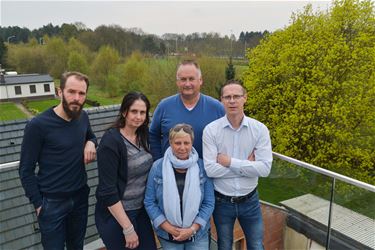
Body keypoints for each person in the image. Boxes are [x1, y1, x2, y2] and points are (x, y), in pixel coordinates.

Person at [19, 71, 97, 249]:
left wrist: (91, 143)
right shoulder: (37, 125)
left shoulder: (83, 117)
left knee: (76, 246)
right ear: (59, 92)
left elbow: (91, 136)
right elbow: (25, 170)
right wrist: (39, 205)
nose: (76, 98)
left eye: (81, 93)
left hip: (79, 198)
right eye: (71, 92)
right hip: (52, 203)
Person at [202, 80, 273, 250]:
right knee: (224, 246)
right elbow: (210, 170)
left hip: (250, 201)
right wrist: (247, 166)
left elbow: (265, 169)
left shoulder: (260, 129)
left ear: (245, 98)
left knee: (256, 246)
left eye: (236, 96)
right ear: (221, 101)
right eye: (227, 97)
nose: (232, 100)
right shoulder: (211, 130)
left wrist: (230, 162)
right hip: (222, 201)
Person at [95, 92, 157, 250]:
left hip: (140, 210)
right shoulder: (111, 142)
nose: (138, 117)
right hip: (117, 216)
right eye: (134, 111)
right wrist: (128, 228)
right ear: (124, 112)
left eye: (142, 112)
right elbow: (107, 190)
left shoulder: (144, 135)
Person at [144, 123, 214, 250]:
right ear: (170, 143)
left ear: (192, 143)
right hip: (168, 235)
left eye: (186, 143)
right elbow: (149, 201)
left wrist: (192, 229)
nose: (182, 147)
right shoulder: (158, 167)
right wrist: (168, 228)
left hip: (197, 235)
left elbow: (209, 202)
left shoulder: (202, 167)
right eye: (177, 143)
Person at [149, 59, 225, 161]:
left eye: (191, 79)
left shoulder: (217, 108)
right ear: (177, 82)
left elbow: (227, 137)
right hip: (169, 171)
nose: (187, 84)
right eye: (183, 79)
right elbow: (153, 135)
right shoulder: (164, 106)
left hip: (205, 173)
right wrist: (159, 160)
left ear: (200, 80)